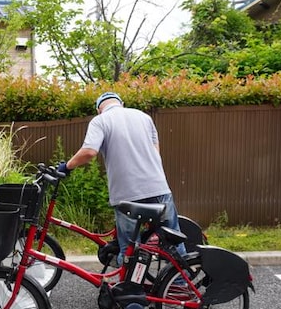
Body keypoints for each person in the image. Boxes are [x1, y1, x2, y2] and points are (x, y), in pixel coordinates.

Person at [57, 91, 186, 264]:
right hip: (158, 188)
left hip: (127, 195)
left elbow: (89, 151)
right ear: (121, 103)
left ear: (98, 109)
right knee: (174, 241)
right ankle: (182, 278)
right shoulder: (144, 117)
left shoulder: (100, 121)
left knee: (129, 251)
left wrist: (66, 167)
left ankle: (131, 280)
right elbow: (156, 152)